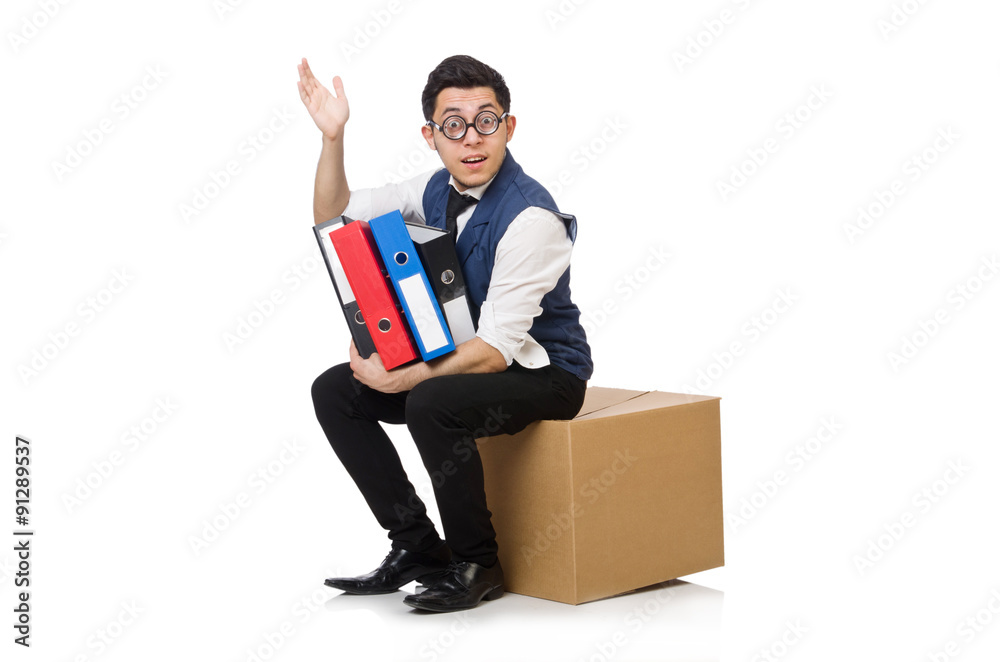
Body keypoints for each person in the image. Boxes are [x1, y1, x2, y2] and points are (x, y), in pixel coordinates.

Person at [299, 54, 593, 613]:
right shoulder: (435, 187)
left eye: (487, 120)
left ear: (509, 127)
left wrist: (401, 377)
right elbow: (332, 213)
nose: (472, 139)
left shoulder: (532, 218)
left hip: (545, 372)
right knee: (335, 391)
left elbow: (497, 350)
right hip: (474, 357)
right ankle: (417, 547)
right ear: (431, 136)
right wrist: (333, 138)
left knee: (430, 400)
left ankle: (477, 561)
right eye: (453, 125)